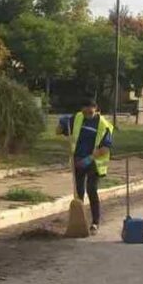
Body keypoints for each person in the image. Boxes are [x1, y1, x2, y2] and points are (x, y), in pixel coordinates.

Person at [57, 99, 113, 234]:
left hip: (94, 163)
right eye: (85, 108)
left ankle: (95, 222)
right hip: (77, 160)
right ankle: (79, 222)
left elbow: (105, 148)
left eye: (90, 108)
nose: (87, 111)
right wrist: (61, 124)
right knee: (78, 193)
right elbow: (59, 131)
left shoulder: (104, 125)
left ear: (96, 108)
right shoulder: (77, 118)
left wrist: (89, 158)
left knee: (91, 190)